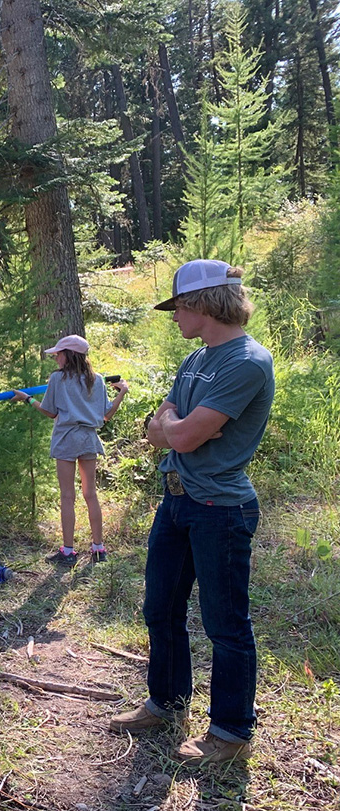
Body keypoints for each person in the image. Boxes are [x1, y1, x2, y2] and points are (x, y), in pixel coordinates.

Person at [109, 260, 274, 765]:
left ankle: (230, 731)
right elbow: (156, 426)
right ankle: (167, 703)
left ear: (203, 303)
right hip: (177, 500)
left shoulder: (247, 361)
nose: (174, 316)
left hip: (220, 509)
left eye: (178, 306)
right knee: (160, 608)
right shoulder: (196, 360)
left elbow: (175, 432)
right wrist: (175, 425)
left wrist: (175, 426)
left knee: (224, 624)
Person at [13, 334, 128, 565]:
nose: (56, 358)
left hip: (66, 438)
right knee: (90, 494)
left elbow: (50, 411)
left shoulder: (57, 379)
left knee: (67, 496)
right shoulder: (97, 380)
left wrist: (27, 399)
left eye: (58, 354)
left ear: (69, 355)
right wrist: (122, 392)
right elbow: (106, 415)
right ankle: (98, 548)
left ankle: (68, 552)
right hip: (88, 439)